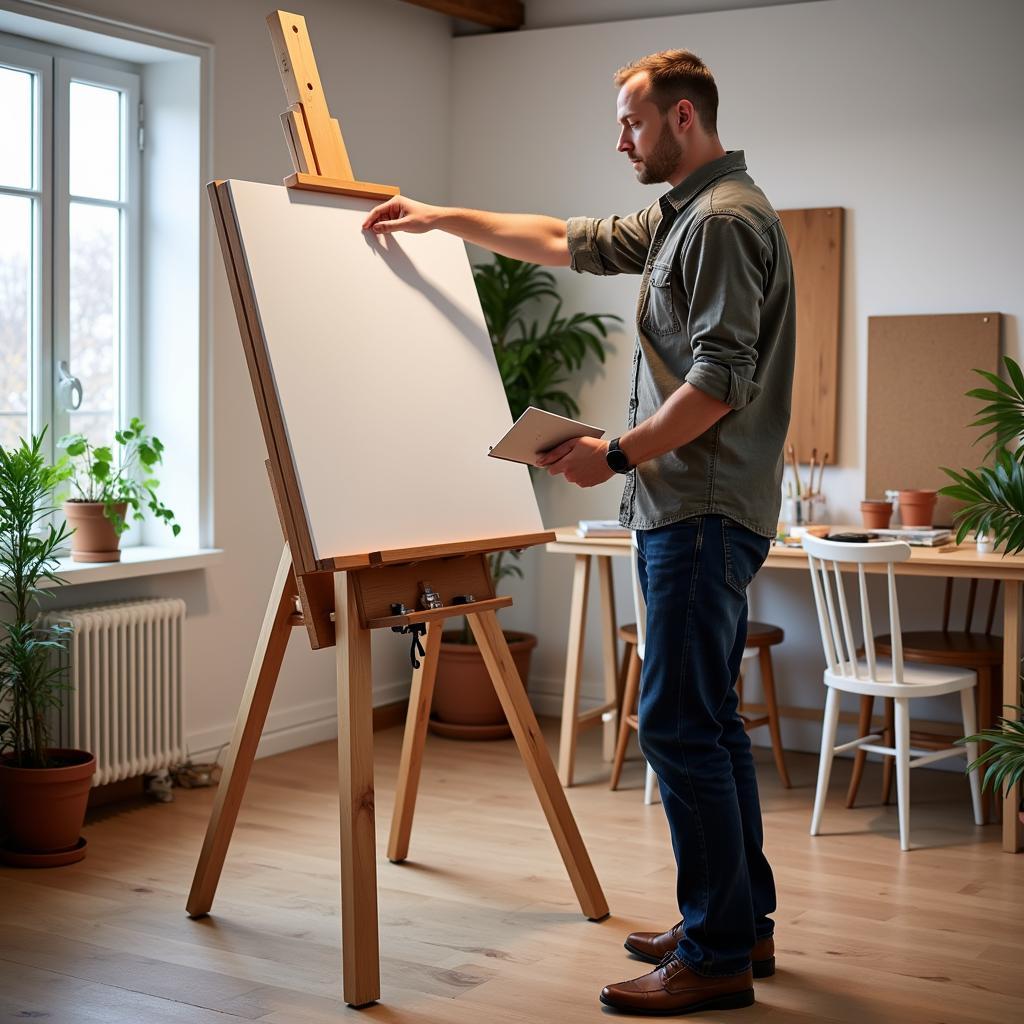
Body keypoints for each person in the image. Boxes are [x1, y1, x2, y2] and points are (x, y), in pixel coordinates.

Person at [364, 48, 795, 1017]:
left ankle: (717, 952)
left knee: (679, 725)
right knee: (711, 721)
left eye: (632, 123)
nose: (620, 139)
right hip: (687, 506)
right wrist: (441, 217)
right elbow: (564, 238)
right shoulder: (685, 216)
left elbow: (719, 382)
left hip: (696, 506)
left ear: (683, 119)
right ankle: (738, 920)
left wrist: (620, 451)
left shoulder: (723, 225)